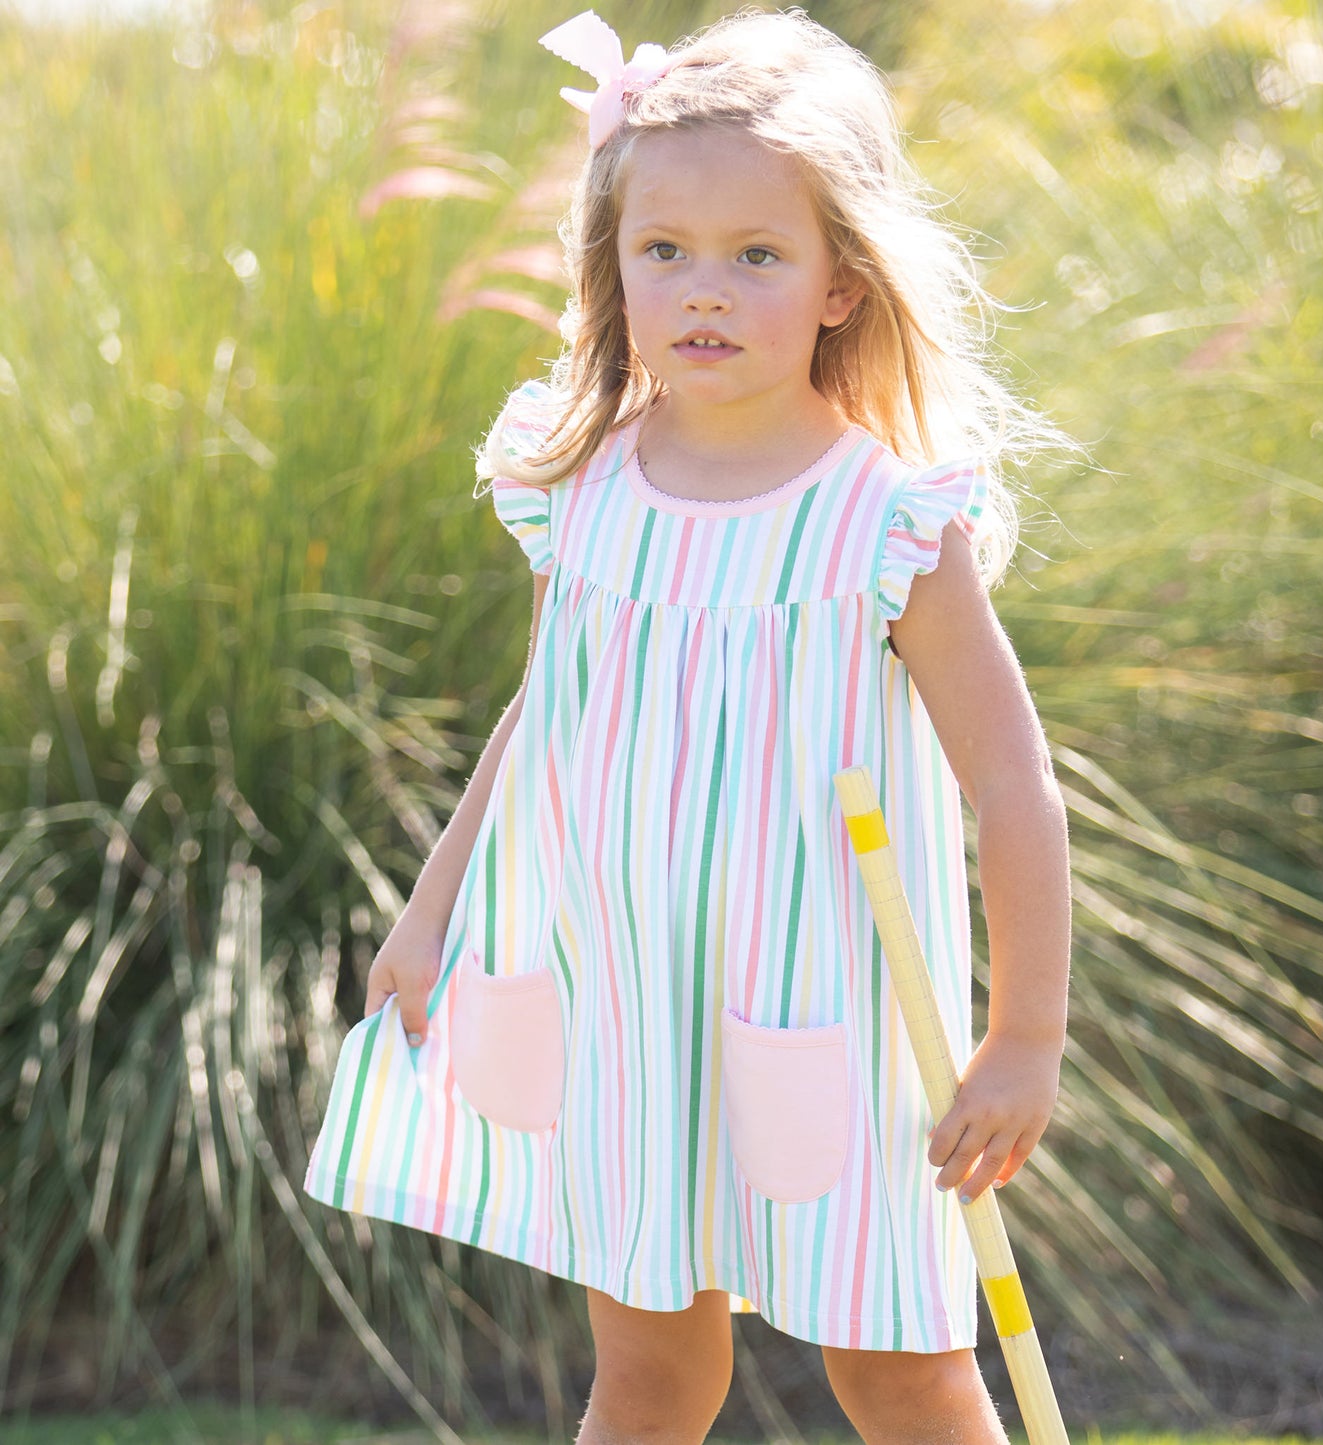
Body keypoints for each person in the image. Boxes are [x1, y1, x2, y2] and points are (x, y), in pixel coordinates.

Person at [306, 9, 1072, 1441]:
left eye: (756, 255)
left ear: (842, 282)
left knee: (897, 1367)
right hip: (627, 999)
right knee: (652, 1371)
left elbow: (1012, 783)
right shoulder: (583, 481)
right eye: (664, 251)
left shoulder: (884, 517)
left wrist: (1022, 1030)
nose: (701, 290)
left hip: (828, 1005)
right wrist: (435, 905)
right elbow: (549, 710)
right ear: (612, 262)